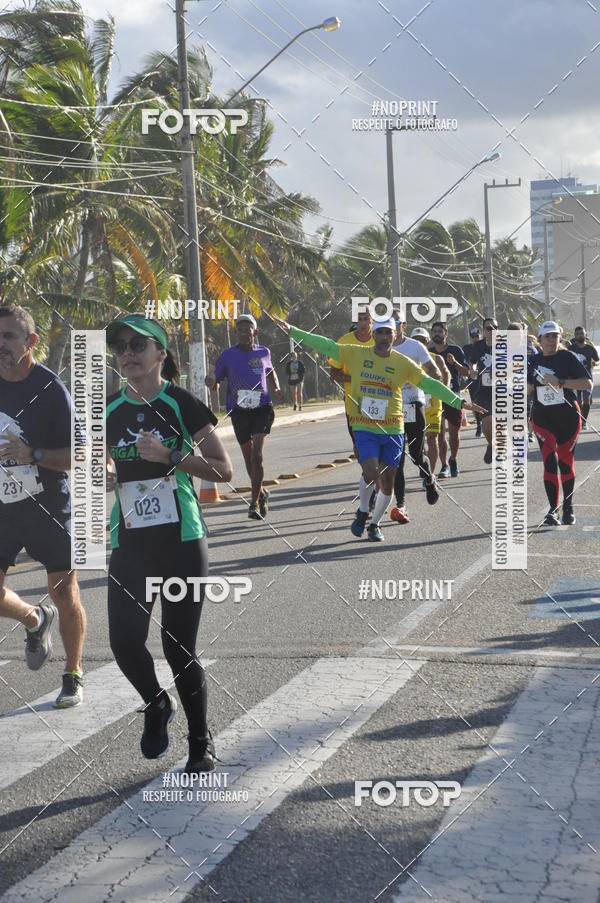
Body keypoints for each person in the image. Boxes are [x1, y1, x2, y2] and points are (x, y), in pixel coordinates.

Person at [105, 314, 233, 774]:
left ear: (161, 353)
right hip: (131, 543)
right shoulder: (108, 410)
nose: (128, 353)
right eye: (120, 347)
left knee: (178, 645)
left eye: (138, 344)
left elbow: (223, 470)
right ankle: (156, 704)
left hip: (181, 540)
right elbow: (95, 470)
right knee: (124, 642)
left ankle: (200, 741)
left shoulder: (182, 403)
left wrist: (171, 457)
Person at [275, 316, 485, 542]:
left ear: (395, 336)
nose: (384, 337)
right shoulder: (356, 353)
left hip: (394, 428)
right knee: (371, 472)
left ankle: (374, 524)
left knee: (388, 481)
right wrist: (293, 330)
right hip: (365, 425)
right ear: (374, 335)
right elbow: (326, 345)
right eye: (381, 333)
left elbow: (429, 384)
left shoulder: (403, 363)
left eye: (388, 333)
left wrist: (459, 402)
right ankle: (363, 510)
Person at [0, 304, 86, 706]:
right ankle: (34, 620)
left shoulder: (51, 389)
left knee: (62, 590)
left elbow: (81, 454)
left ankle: (73, 673)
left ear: (31, 342)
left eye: (8, 337)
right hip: (2, 507)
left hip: (47, 503)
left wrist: (30, 453)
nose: (0, 345)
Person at [206, 314, 283, 520]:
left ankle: (254, 502)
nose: (242, 333)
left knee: (257, 454)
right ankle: (262, 493)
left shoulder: (263, 352)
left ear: (254, 333)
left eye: (247, 329)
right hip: (239, 410)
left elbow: (270, 371)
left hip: (262, 407)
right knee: (249, 457)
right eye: (239, 330)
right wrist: (212, 380)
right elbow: (217, 377)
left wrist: (276, 387)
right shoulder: (227, 355)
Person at [527, 321, 591, 526]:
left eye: (555, 336)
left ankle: (568, 507)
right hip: (543, 419)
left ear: (560, 338)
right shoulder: (532, 361)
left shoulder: (567, 357)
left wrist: (559, 382)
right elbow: (527, 389)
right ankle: (552, 511)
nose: (551, 340)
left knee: (565, 462)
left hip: (568, 418)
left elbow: (586, 383)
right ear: (540, 339)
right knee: (549, 462)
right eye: (547, 336)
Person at [390, 321, 442, 524]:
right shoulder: (379, 349)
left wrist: (422, 377)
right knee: (397, 459)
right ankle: (401, 505)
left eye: (395, 323)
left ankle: (429, 479)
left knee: (416, 454)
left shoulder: (415, 346)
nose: (391, 329)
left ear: (402, 324)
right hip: (391, 408)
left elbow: (434, 371)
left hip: (413, 402)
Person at [329, 309, 375, 507]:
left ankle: (374, 485)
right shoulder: (345, 341)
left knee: (378, 445)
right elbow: (334, 373)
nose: (363, 323)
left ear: (373, 322)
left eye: (367, 319)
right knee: (360, 446)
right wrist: (357, 380)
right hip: (354, 405)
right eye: (360, 320)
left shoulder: (381, 338)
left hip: (382, 404)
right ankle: (368, 475)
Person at [429, 322, 470, 477]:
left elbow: (467, 372)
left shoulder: (455, 350)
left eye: (440, 331)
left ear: (446, 333)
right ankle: (444, 465)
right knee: (439, 433)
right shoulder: (428, 352)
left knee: (454, 433)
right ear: (431, 335)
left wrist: (455, 363)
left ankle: (453, 459)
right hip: (435, 398)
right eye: (434, 331)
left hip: (453, 396)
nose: (437, 334)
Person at [411, 328, 450, 477]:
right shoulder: (406, 359)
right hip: (412, 403)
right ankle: (425, 464)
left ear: (427, 343)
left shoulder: (436, 358)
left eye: (422, 340)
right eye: (416, 340)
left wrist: (444, 392)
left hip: (432, 403)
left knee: (433, 437)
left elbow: (446, 373)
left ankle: (430, 474)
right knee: (418, 441)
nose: (419, 343)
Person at [468, 317, 500, 464]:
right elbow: (472, 362)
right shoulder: (478, 346)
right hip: (485, 390)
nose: (491, 330)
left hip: (503, 390)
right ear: (484, 330)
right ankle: (491, 444)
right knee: (487, 421)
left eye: (495, 327)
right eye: (488, 328)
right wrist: (472, 371)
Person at [569, 326, 599, 430]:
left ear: (586, 335)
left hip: (588, 379)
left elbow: (596, 359)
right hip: (576, 379)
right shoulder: (571, 348)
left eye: (582, 333)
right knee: (578, 401)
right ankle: (579, 419)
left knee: (586, 400)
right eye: (577, 334)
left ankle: (584, 422)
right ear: (575, 336)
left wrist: (593, 362)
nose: (580, 335)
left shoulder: (590, 348)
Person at [463, 325, 483, 437]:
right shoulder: (466, 348)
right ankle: (479, 424)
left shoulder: (484, 346)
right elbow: (465, 361)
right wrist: (470, 369)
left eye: (477, 336)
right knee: (475, 402)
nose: (475, 338)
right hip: (473, 379)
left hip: (486, 379)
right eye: (473, 336)